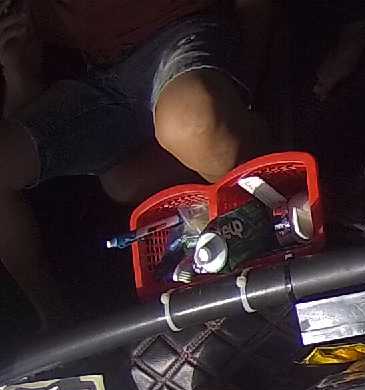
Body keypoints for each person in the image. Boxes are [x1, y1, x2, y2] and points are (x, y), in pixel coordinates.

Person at [0, 0, 274, 329]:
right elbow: (28, 106)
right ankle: (56, 325)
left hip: (184, 34)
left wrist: (250, 84)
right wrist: (15, 66)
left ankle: (275, 238)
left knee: (189, 127)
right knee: (123, 181)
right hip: (103, 79)